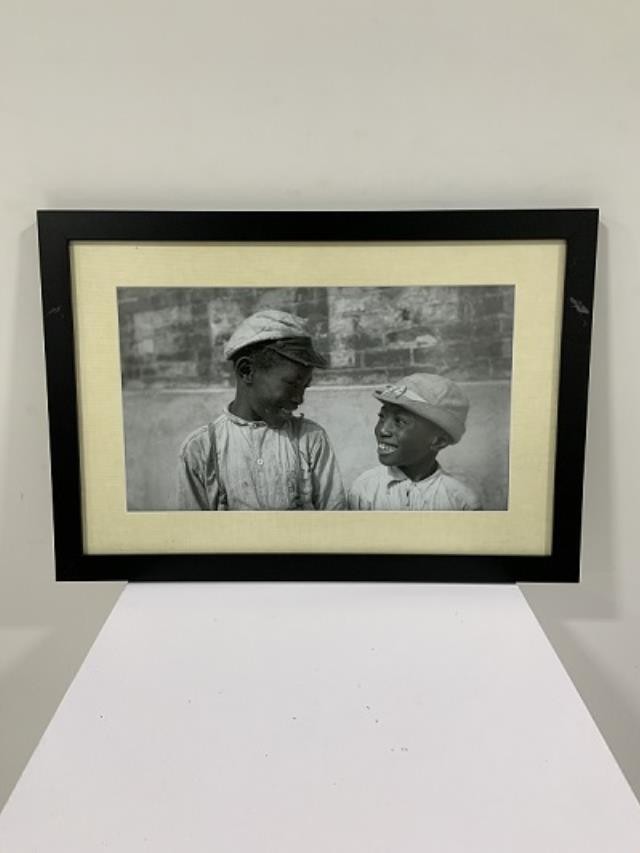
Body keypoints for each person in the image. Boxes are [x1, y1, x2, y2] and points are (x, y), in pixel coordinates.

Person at [178, 309, 346, 510]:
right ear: (246, 371)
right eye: (292, 384)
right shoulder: (201, 450)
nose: (300, 399)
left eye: (305, 387)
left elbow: (335, 518)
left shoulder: (311, 440)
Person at [348, 373, 481, 511]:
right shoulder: (364, 489)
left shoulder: (461, 500)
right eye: (382, 417)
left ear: (439, 441)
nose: (383, 430)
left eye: (400, 421)